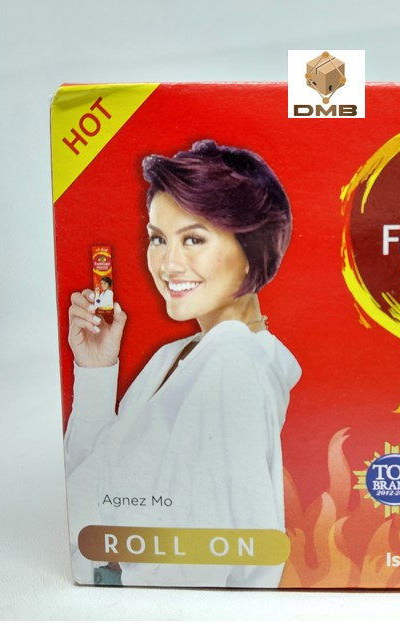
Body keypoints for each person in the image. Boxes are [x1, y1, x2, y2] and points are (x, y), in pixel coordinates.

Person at [63, 140, 301, 588]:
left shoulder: (233, 358)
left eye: (193, 239)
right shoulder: (175, 356)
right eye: (158, 238)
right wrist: (96, 371)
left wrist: (109, 584)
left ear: (251, 247)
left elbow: (203, 563)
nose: (169, 264)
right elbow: (82, 494)